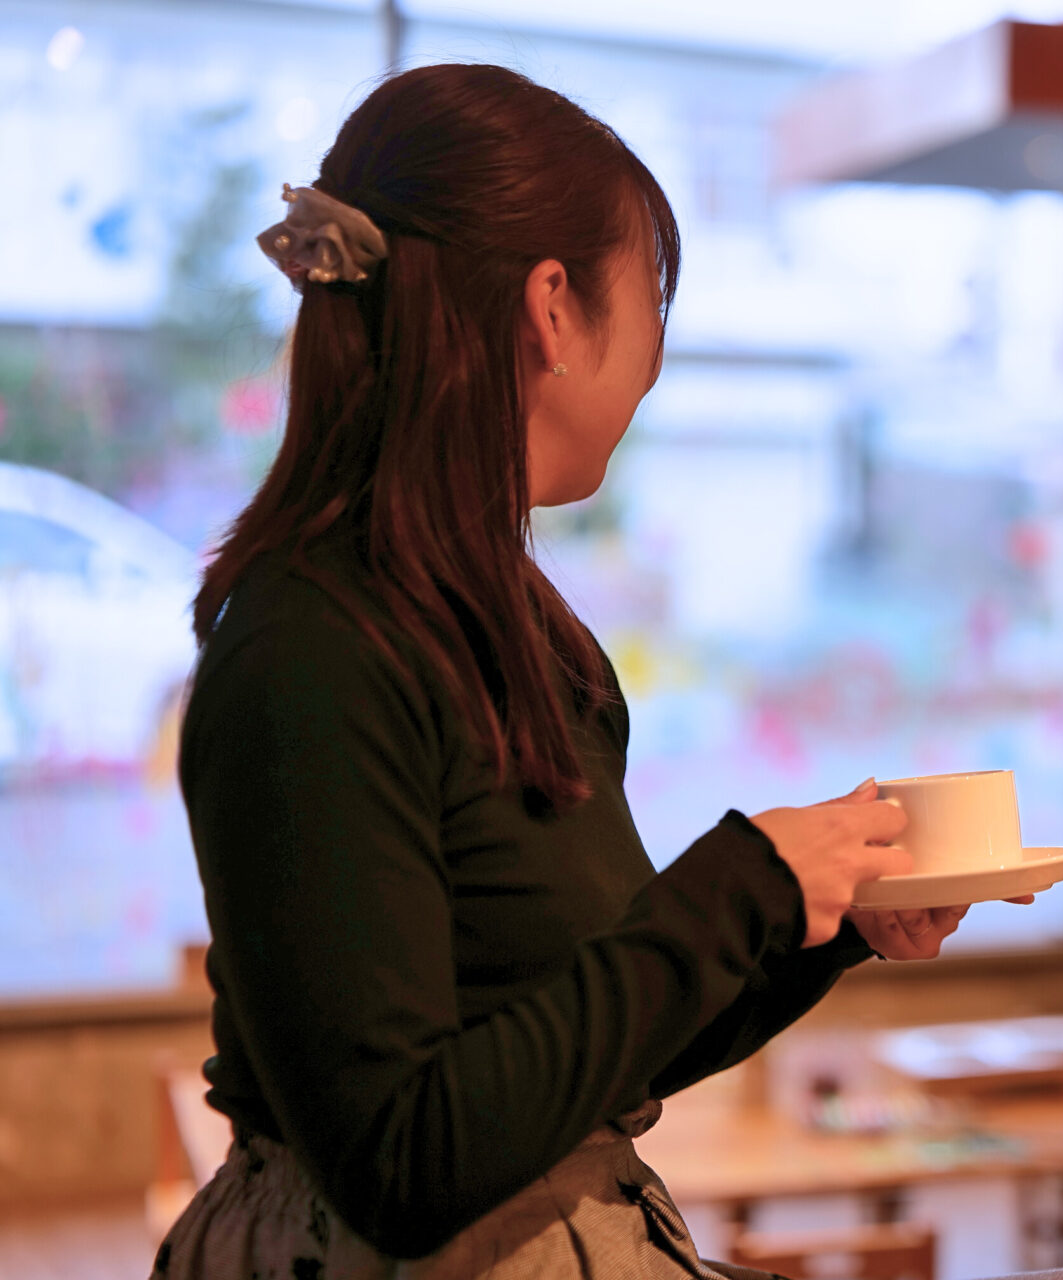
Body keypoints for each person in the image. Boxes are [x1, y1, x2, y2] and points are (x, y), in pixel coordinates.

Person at [152, 63, 1017, 1279]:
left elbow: (585, 1052)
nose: (658, 350)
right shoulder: (313, 647)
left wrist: (817, 922)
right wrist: (743, 884)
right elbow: (396, 1158)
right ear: (552, 307)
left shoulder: (505, 625)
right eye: (651, 295)